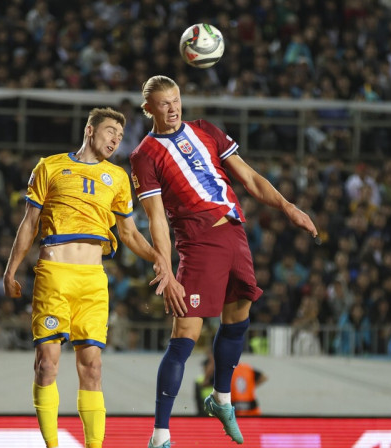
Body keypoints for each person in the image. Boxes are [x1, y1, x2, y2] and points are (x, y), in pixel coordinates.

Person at [130, 75, 317, 447]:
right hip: (198, 243)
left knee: (239, 316)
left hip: (234, 231)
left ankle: (221, 399)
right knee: (186, 335)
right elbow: (155, 219)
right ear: (148, 108)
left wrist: (287, 206)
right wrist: (165, 268)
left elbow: (248, 177)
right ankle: (160, 433)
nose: (173, 109)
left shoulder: (206, 130)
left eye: (176, 100)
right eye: (164, 104)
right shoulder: (144, 155)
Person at [3, 107, 181, 448]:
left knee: (93, 367)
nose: (116, 139)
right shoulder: (49, 166)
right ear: (89, 130)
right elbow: (29, 224)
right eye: (110, 130)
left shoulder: (117, 178)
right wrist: (11, 269)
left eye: (120, 134)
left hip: (94, 280)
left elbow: (129, 233)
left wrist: (159, 257)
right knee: (47, 365)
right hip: (54, 274)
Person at [195, 355, 267, 417]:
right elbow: (264, 377)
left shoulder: (224, 371)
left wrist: (212, 363)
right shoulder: (247, 368)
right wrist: (250, 386)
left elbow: (205, 383)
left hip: (233, 412)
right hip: (251, 410)